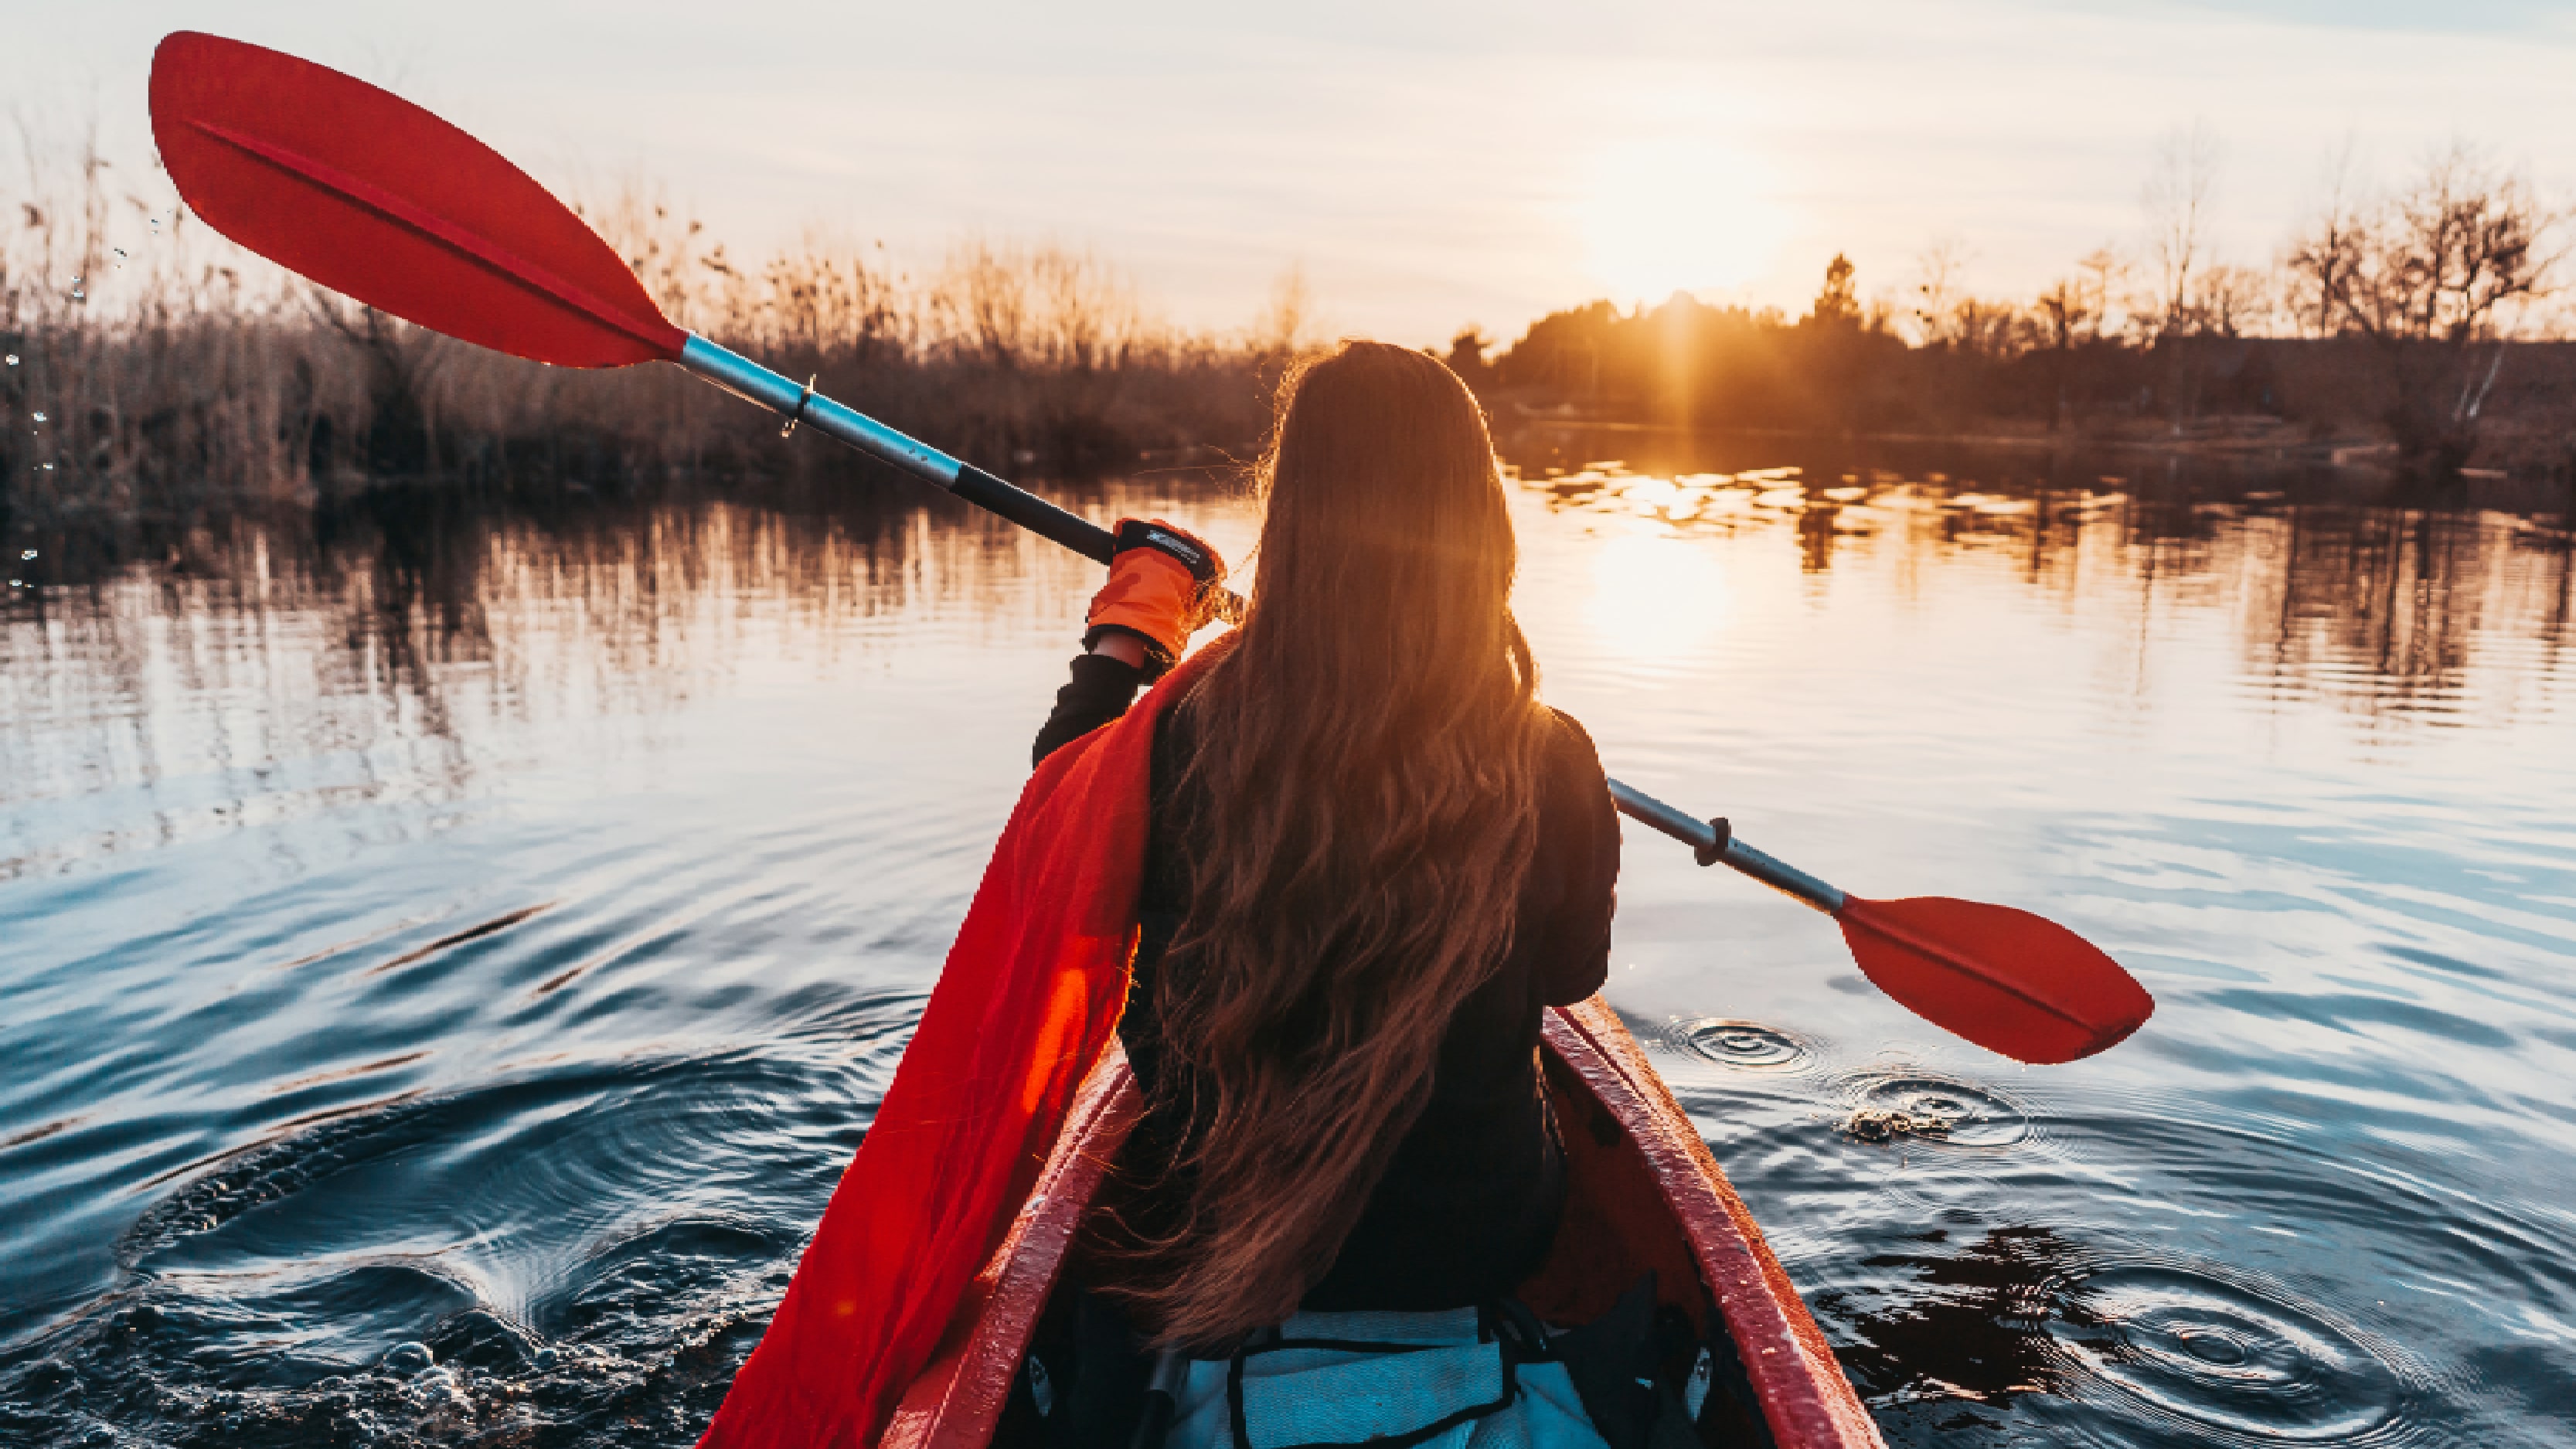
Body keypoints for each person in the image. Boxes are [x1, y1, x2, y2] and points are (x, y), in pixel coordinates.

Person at [1025, 341, 1622, 1448]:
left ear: (1291, 516)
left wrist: (1141, 621)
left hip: (1209, 1228)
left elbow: (1060, 796)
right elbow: (1573, 978)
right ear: (1477, 520)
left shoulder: (1177, 738)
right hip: (1478, 1239)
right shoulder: (1549, 755)